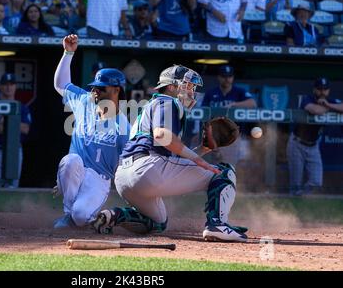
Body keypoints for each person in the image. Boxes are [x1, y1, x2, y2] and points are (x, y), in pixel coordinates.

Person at [92, 64, 248, 242]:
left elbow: (171, 158)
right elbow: (161, 135)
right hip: (148, 169)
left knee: (157, 223)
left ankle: (114, 216)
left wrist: (203, 149)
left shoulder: (151, 106)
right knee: (224, 173)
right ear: (172, 87)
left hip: (124, 178)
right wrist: (198, 160)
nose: (192, 91)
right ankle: (217, 224)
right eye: (188, 86)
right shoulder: (167, 101)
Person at [52, 34, 130, 229]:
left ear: (117, 91)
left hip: (99, 179)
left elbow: (126, 164)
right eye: (95, 88)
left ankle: (96, 217)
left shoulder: (123, 125)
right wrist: (68, 53)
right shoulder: (84, 101)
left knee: (81, 216)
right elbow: (60, 85)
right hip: (76, 168)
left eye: (101, 89)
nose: (96, 91)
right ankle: (67, 214)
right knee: (70, 160)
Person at [287, 78, 343, 196]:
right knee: (295, 184)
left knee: (316, 182)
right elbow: (314, 110)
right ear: (314, 90)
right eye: (319, 89)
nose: (322, 92)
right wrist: (331, 108)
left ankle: (303, 199)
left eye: (325, 89)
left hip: (313, 146)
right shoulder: (307, 99)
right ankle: (293, 203)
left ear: (328, 90)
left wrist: (327, 104)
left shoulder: (330, 101)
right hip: (297, 143)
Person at [201, 65, 256, 167]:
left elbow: (252, 103)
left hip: (233, 135)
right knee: (214, 166)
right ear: (219, 77)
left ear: (233, 77)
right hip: (215, 135)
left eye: (229, 76)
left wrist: (234, 104)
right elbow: (203, 113)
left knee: (231, 166)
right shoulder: (211, 93)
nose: (227, 79)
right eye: (224, 76)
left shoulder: (239, 91)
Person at [0, 73, 31, 188]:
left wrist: (4, 122)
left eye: (11, 84)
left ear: (15, 86)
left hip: (15, 151)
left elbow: (25, 129)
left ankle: (10, 207)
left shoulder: (22, 107)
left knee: (12, 188)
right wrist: (14, 125)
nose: (8, 87)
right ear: (0, 86)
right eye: (5, 85)